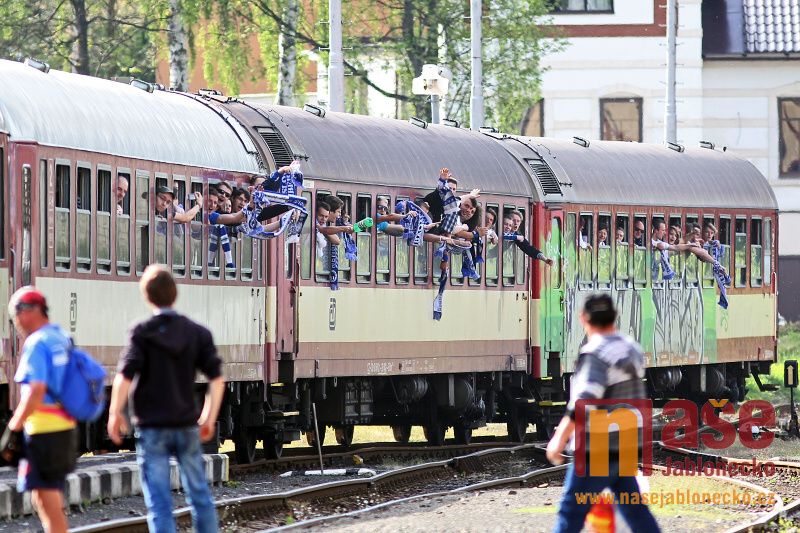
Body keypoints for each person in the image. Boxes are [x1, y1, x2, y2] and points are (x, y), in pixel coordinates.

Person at [108, 265, 225, 533]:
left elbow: (125, 376)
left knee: (159, 502)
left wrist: (115, 412)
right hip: (186, 425)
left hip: (152, 428)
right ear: (175, 294)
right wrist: (208, 418)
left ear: (147, 296)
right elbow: (217, 379)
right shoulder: (197, 333)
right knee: (200, 496)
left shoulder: (142, 332)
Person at [546, 294, 661, 533]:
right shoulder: (631, 348)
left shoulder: (596, 353)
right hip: (625, 445)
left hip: (597, 450)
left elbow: (585, 400)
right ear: (614, 316)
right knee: (636, 513)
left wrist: (559, 438)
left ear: (583, 318)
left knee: (571, 513)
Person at [5, 287, 77, 533]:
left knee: (46, 500)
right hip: (64, 428)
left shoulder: (36, 343)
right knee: (45, 496)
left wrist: (14, 426)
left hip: (44, 432)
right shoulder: (61, 337)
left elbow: (36, 390)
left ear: (27, 312)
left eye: (14, 316)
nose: (15, 323)